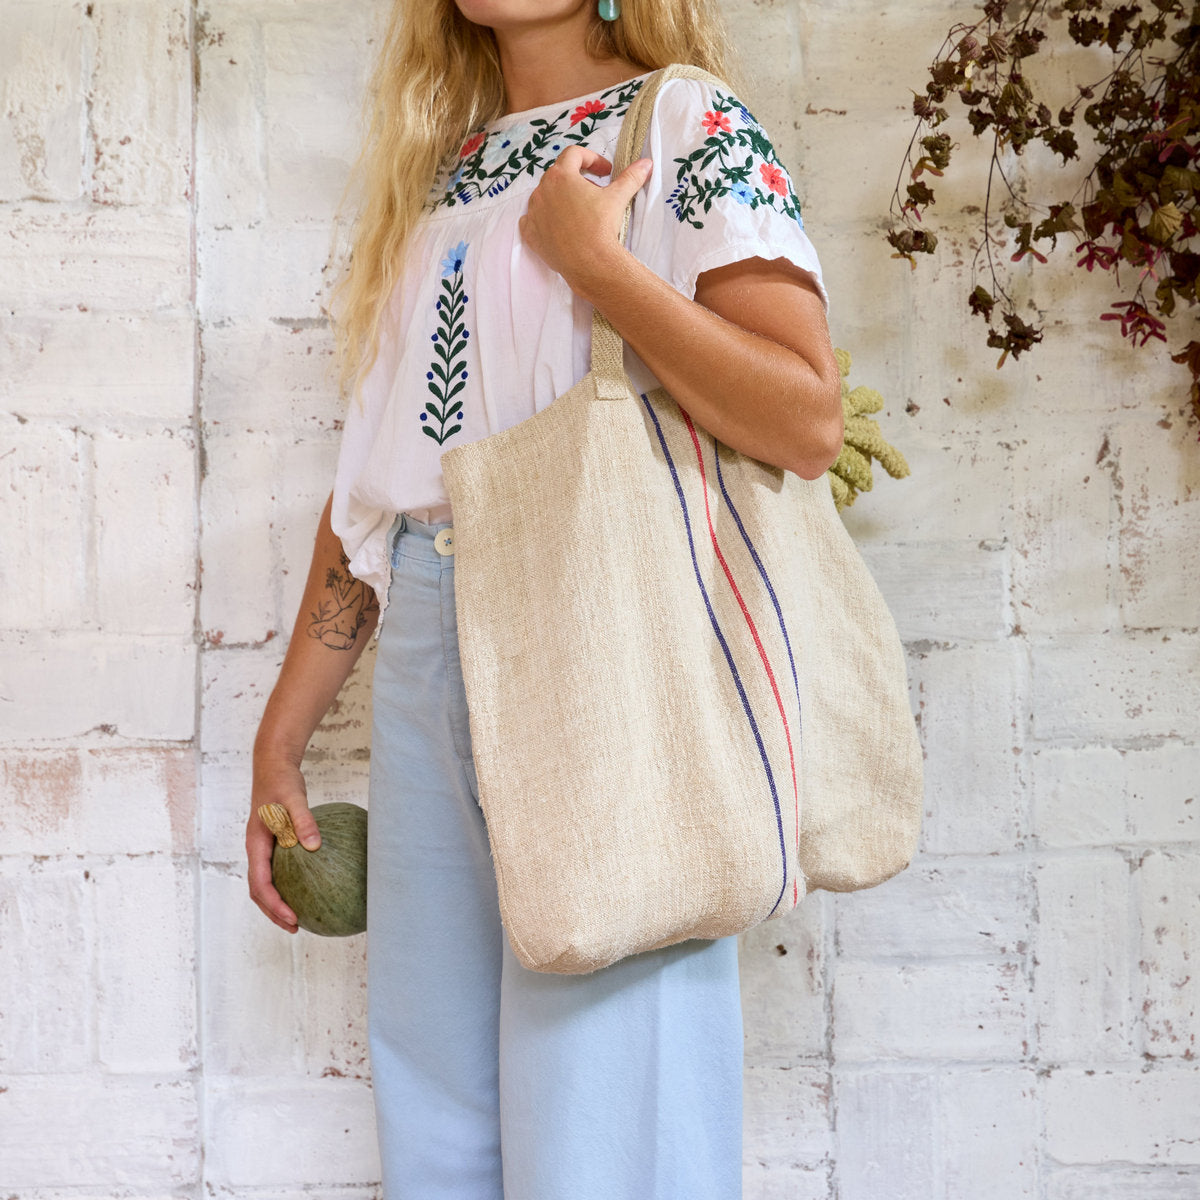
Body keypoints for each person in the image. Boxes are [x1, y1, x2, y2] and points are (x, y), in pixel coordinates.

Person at [247, 1, 842, 1195]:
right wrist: (282, 734)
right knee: (436, 1105)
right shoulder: (446, 167)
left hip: (600, 624)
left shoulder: (682, 123)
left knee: (609, 1112)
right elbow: (377, 481)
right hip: (427, 620)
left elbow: (804, 417)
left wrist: (597, 265)